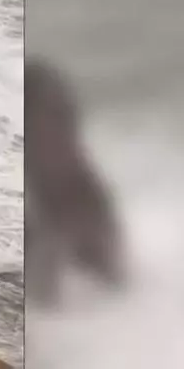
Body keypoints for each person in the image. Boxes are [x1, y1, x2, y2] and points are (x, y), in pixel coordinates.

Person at [25, 59, 125, 307]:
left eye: (63, 122)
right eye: (47, 127)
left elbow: (115, 283)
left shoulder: (86, 190)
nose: (61, 139)